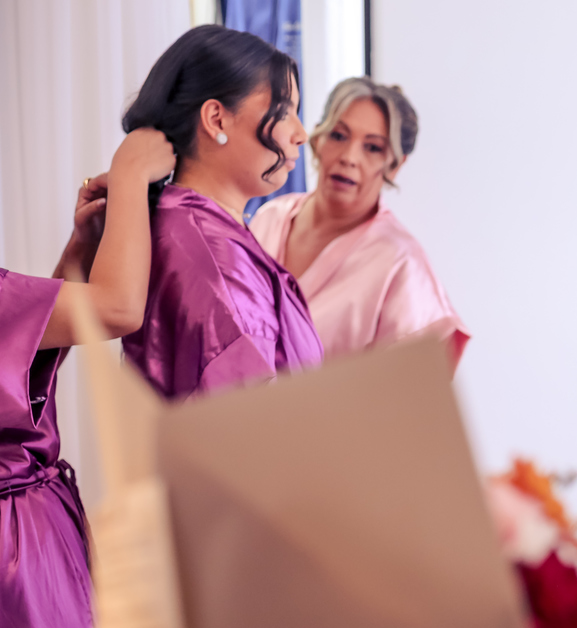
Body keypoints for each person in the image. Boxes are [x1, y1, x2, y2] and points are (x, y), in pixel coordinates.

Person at [0, 128, 175, 628]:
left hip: (25, 545)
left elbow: (22, 343)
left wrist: (77, 255)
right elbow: (119, 307)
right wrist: (130, 170)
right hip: (18, 567)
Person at [120, 25, 323, 400]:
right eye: (284, 111)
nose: (301, 133)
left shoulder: (187, 227)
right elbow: (253, 425)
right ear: (216, 119)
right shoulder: (217, 263)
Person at [250, 77, 468, 371]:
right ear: (317, 139)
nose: (349, 158)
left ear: (395, 164)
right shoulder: (268, 218)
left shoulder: (402, 264)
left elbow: (414, 387)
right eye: (339, 136)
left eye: (373, 148)